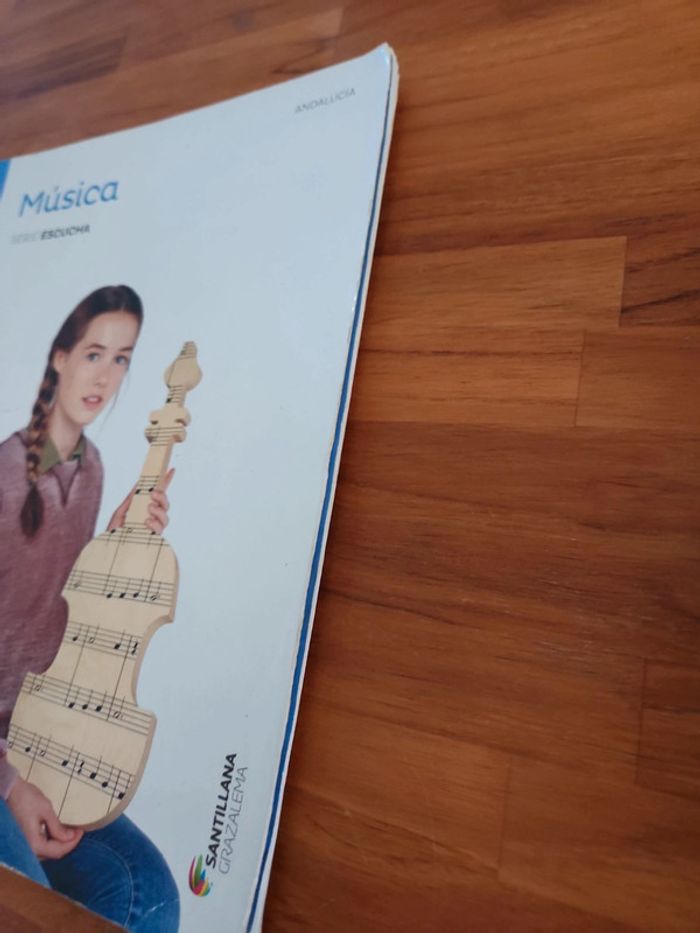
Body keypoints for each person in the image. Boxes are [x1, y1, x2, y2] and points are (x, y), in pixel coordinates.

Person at [0, 286, 180, 932]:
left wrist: (114, 539)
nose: (106, 376)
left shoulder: (93, 470)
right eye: (94, 353)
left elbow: (53, 600)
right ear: (60, 358)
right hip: (4, 759)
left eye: (122, 359)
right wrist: (10, 785)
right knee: (27, 901)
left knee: (147, 894)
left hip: (37, 736)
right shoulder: (3, 474)